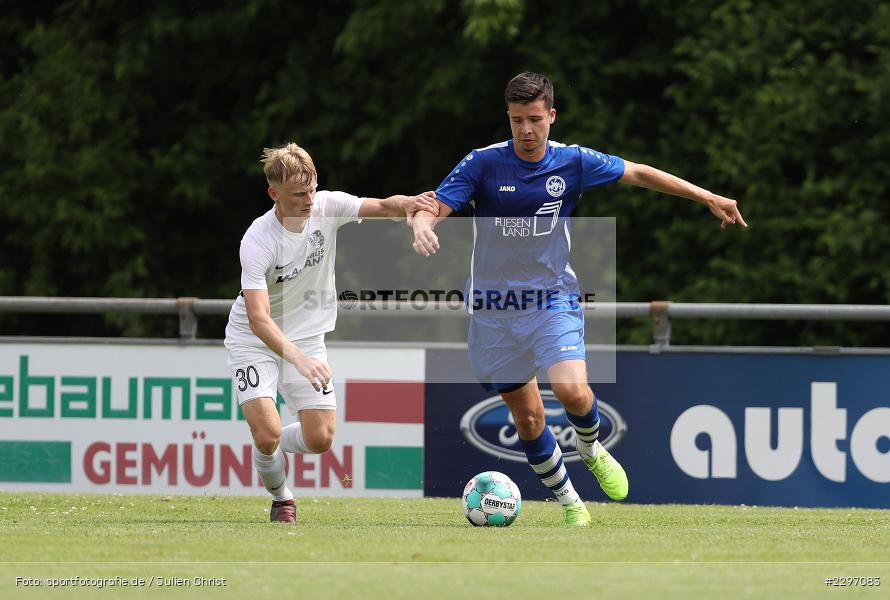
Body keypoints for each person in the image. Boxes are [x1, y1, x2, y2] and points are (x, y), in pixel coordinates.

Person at [411, 72, 747, 526]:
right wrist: (423, 225)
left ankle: (589, 448)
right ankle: (571, 503)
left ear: (551, 115)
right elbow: (434, 204)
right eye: (516, 121)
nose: (526, 130)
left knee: (572, 391)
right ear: (507, 118)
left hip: (552, 300)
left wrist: (706, 196)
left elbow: (638, 172)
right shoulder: (483, 163)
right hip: (493, 312)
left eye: (534, 119)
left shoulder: (573, 161)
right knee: (529, 420)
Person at [225, 143, 438, 523]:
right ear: (274, 194)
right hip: (254, 341)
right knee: (268, 432)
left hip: (306, 337)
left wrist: (407, 204)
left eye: (311, 189)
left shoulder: (327, 206)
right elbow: (258, 318)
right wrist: (300, 360)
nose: (309, 201)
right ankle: (282, 499)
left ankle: (269, 445)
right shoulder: (258, 240)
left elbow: (382, 206)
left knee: (320, 438)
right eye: (298, 195)